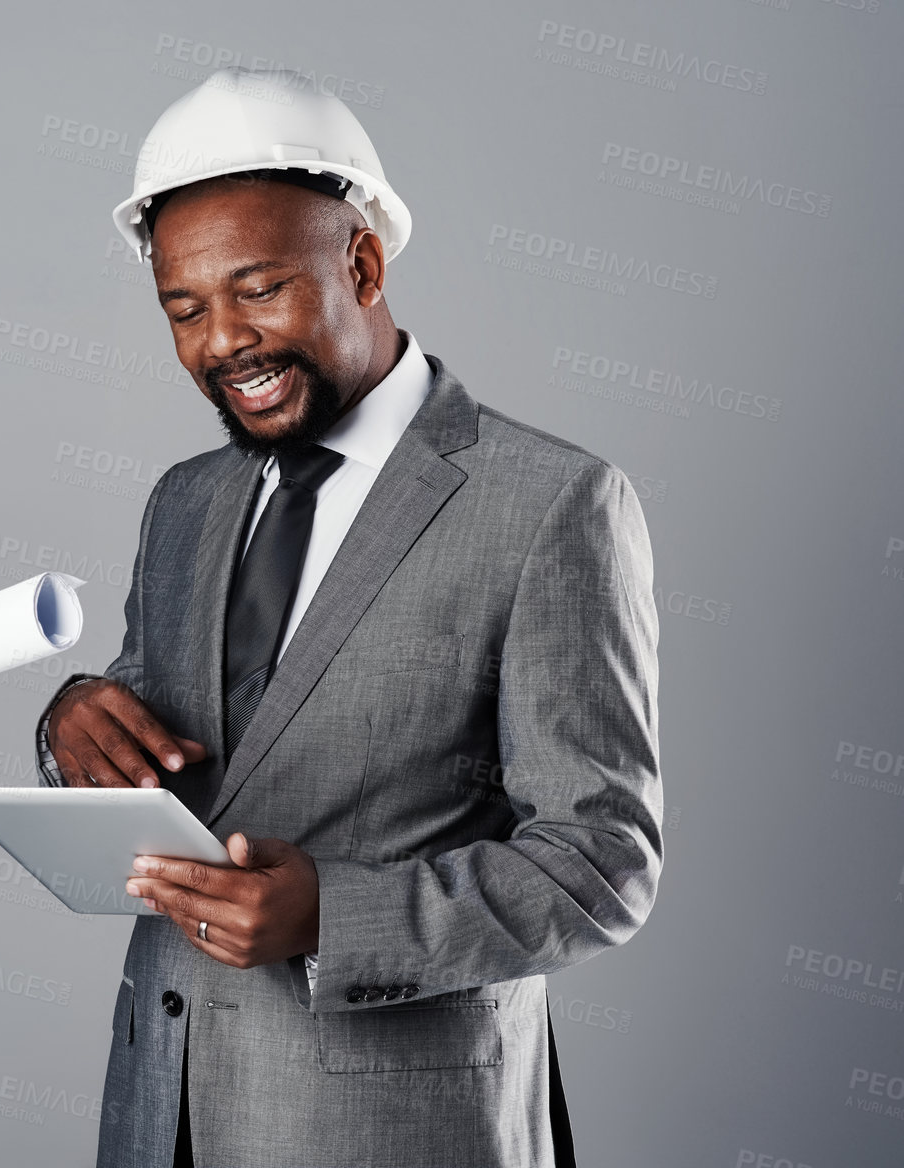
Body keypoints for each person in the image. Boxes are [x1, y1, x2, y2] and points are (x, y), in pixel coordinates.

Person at [40, 68, 663, 1167]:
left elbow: (600, 861)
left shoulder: (551, 503)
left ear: (362, 263)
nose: (221, 340)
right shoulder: (186, 500)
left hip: (398, 1132)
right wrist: (73, 722)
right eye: (183, 309)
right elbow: (164, 743)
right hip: (161, 1116)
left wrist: (334, 913)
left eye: (258, 290)